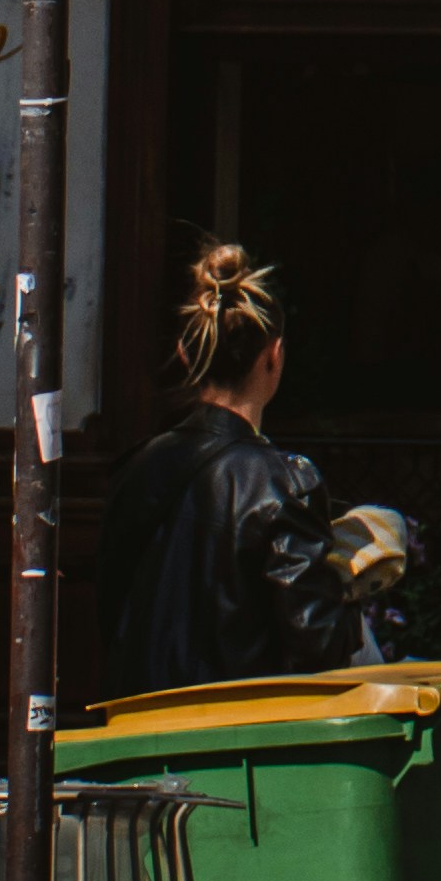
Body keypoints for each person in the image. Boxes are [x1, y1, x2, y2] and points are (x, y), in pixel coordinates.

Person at [99, 244, 408, 696]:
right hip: (236, 736)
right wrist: (344, 586)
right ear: (274, 355)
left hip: (133, 727)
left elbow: (112, 618)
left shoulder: (134, 469)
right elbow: (317, 645)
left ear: (186, 354)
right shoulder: (284, 481)